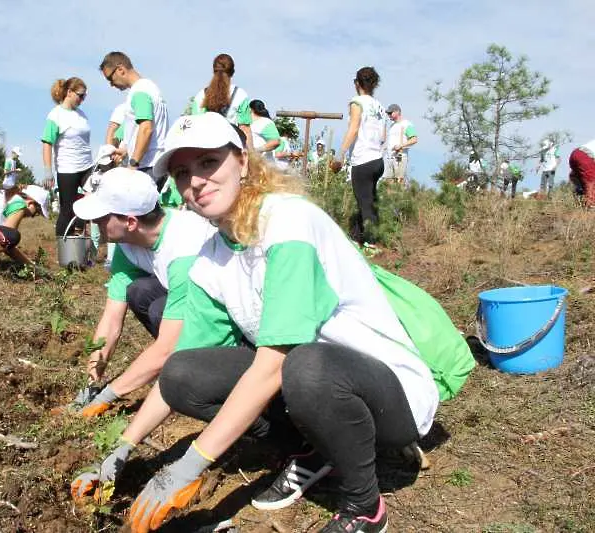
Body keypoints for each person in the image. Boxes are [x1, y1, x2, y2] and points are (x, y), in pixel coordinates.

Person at [70, 113, 474, 533]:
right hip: (310, 385)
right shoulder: (212, 258)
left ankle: (364, 507)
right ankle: (315, 451)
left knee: (306, 364)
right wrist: (118, 451)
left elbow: (274, 363)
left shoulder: (287, 222)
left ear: (242, 161)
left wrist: (191, 464)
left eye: (209, 162)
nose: (197, 181)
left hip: (387, 397)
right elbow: (179, 359)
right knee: (182, 374)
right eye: (182, 172)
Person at [68, 167, 215, 417]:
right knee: (139, 290)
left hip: (227, 326)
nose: (95, 224)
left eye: (102, 218)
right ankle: (172, 364)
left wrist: (108, 395)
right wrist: (92, 380)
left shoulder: (184, 247)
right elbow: (111, 319)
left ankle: (198, 372)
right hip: (185, 297)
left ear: (131, 222)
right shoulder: (128, 244)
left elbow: (167, 345)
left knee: (160, 311)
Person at [99, 52, 168, 183]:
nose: (111, 84)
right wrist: (126, 150)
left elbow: (146, 128)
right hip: (154, 163)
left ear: (120, 69)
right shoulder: (150, 87)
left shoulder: (139, 91)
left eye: (110, 78)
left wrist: (133, 163)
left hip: (146, 166)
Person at [336, 67, 387, 246]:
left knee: (365, 202)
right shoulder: (379, 106)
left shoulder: (357, 102)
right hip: (378, 160)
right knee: (369, 200)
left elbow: (354, 128)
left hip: (363, 159)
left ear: (357, 83)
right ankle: (359, 236)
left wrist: (340, 153)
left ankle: (371, 244)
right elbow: (383, 137)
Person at [41, 77, 93, 240]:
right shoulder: (55, 115)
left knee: (92, 201)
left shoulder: (82, 114)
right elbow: (47, 143)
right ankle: (65, 251)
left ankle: (82, 241)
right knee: (67, 210)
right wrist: (48, 171)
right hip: (68, 169)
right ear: (69, 92)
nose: (83, 99)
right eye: (80, 95)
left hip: (87, 166)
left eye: (85, 96)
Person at [188, 53, 252, 143]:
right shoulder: (240, 95)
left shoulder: (200, 95)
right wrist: (251, 154)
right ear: (233, 72)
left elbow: (194, 125)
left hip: (204, 146)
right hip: (230, 147)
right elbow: (245, 129)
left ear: (214, 71)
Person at [384, 104, 418, 185]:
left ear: (397, 112)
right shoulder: (392, 126)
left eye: (390, 113)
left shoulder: (406, 124)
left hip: (399, 156)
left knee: (399, 182)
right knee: (388, 182)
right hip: (389, 157)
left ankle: (400, 197)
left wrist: (401, 145)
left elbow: (414, 139)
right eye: (388, 113)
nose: (388, 115)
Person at [569, 139, 595, 207]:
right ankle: (590, 207)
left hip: (575, 153)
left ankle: (579, 199)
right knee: (591, 183)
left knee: (581, 180)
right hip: (587, 157)